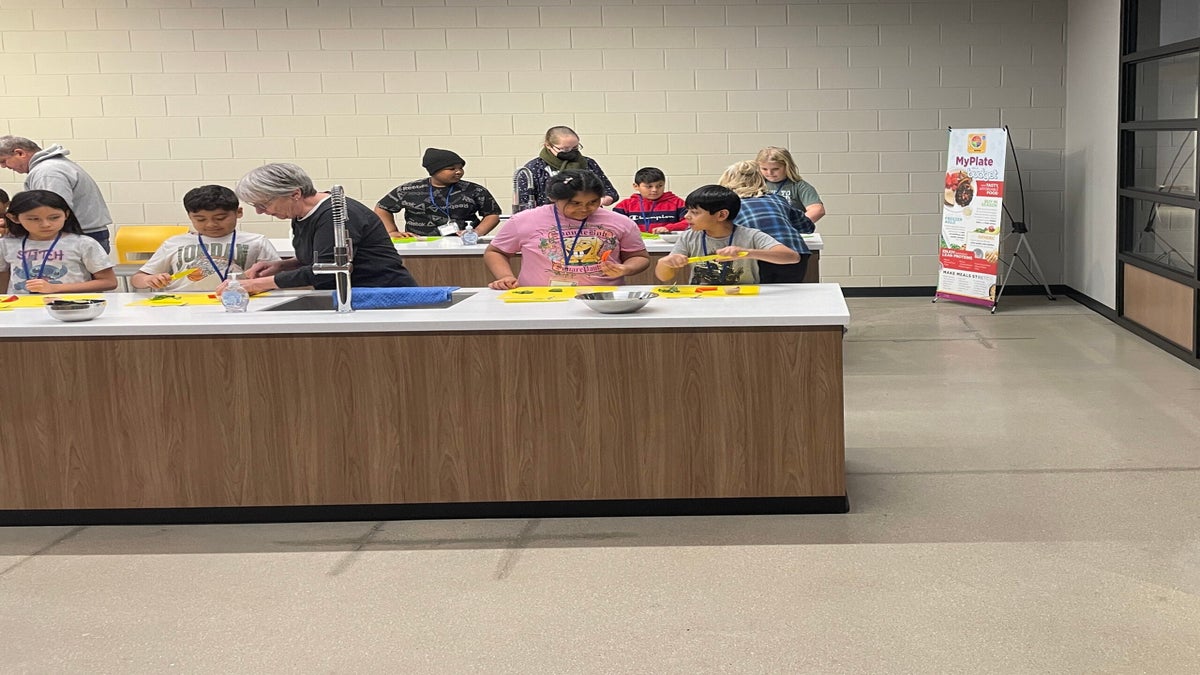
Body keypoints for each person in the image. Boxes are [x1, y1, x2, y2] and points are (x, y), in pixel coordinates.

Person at [220, 163, 416, 296]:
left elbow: (329, 268)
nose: (261, 212)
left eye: (264, 204)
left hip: (381, 293)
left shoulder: (335, 214)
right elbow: (323, 257)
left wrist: (255, 285)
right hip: (355, 292)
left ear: (295, 194)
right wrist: (282, 265)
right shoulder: (300, 215)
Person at [486, 170, 649, 290]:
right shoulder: (524, 220)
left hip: (601, 299)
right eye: (575, 203)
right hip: (539, 299)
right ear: (554, 198)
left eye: (592, 202)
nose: (584, 209)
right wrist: (506, 277)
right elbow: (496, 252)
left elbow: (639, 257)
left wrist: (626, 268)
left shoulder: (620, 222)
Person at [131, 185, 282, 293]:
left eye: (220, 218)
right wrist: (149, 280)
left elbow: (279, 276)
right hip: (182, 303)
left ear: (239, 212)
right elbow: (138, 278)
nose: (211, 224)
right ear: (190, 217)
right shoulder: (174, 243)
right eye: (200, 219)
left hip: (236, 299)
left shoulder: (256, 241)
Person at [656, 185, 798, 285]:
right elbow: (664, 277)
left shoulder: (750, 235)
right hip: (701, 299)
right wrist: (664, 263)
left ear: (722, 215)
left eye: (695, 212)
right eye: (687, 211)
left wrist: (748, 253)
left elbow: (792, 257)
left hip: (744, 299)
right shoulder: (689, 237)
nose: (687, 216)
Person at [0, 136, 115, 252]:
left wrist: (15, 223)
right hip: (83, 234)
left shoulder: (47, 172)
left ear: (19, 153)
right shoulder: (54, 166)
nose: (3, 166)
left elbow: (48, 211)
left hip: (77, 237)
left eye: (3, 161)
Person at [0, 189, 117, 294]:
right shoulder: (7, 244)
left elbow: (109, 282)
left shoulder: (83, 243)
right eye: (34, 219)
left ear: (66, 215)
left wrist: (55, 288)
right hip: (21, 308)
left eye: (54, 217)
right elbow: (3, 279)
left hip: (69, 306)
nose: (46, 224)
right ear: (14, 218)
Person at [719, 160, 815, 284]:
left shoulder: (728, 205)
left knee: (755, 297)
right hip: (794, 253)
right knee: (789, 298)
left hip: (757, 256)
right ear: (761, 180)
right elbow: (807, 226)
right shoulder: (777, 199)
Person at [374, 148, 502, 238]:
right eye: (451, 169)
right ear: (434, 171)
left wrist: (476, 232)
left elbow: (492, 214)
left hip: (462, 242)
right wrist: (391, 232)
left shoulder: (474, 190)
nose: (458, 172)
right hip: (420, 244)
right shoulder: (408, 190)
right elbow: (382, 208)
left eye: (460, 168)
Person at [512, 126, 619, 213]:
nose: (571, 152)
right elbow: (524, 203)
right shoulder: (533, 168)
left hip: (587, 217)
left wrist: (602, 200)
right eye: (565, 149)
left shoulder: (588, 163)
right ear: (548, 145)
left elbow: (611, 192)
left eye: (575, 148)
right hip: (549, 221)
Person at [756, 146, 825, 223]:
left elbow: (817, 210)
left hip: (789, 230)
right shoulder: (756, 185)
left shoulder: (799, 186)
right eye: (764, 169)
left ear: (787, 167)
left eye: (775, 169)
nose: (769, 173)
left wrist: (793, 225)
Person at [612, 167, 688, 234]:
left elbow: (689, 222)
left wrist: (669, 228)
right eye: (649, 186)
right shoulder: (625, 205)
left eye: (660, 186)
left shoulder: (678, 203)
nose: (654, 190)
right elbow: (613, 224)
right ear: (636, 186)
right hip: (635, 246)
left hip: (668, 246)